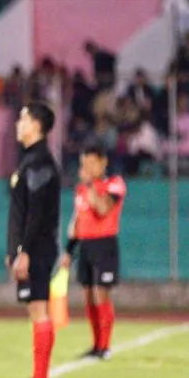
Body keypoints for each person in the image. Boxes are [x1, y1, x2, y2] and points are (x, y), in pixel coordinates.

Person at [6, 102, 61, 378]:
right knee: (35, 309)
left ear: (37, 125)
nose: (18, 123)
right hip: (30, 247)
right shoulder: (29, 160)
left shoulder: (40, 161)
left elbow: (37, 213)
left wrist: (24, 250)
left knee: (39, 309)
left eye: (23, 118)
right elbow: (19, 211)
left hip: (37, 248)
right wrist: (11, 249)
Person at [61, 141, 126, 360]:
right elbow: (77, 223)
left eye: (91, 163)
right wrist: (69, 251)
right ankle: (96, 344)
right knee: (88, 296)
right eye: (83, 163)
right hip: (86, 246)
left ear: (103, 162)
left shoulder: (114, 184)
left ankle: (105, 346)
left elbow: (103, 209)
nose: (87, 168)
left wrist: (91, 186)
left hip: (105, 244)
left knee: (101, 294)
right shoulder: (81, 190)